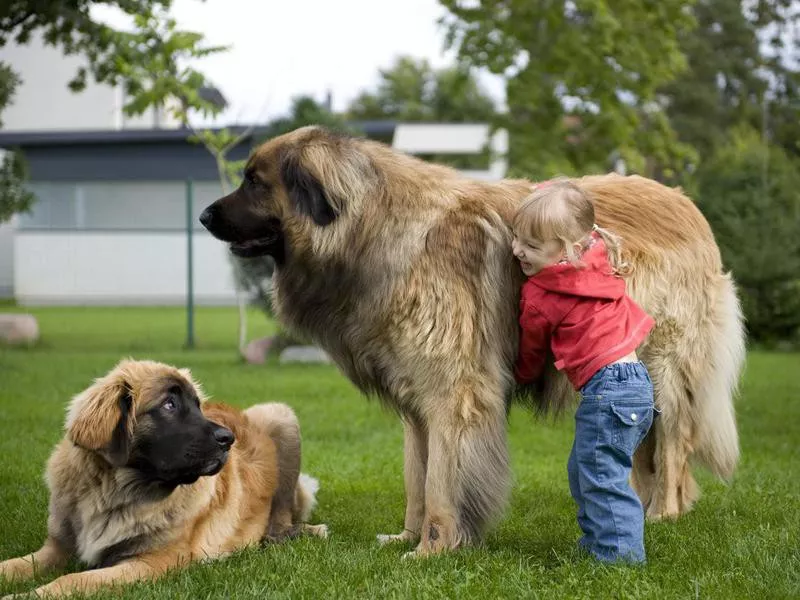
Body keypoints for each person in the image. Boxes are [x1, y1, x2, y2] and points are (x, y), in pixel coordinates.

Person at [511, 179, 656, 563]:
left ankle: (620, 556)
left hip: (608, 392)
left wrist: (521, 376)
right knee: (586, 469)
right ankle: (599, 540)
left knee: (602, 476)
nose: (517, 251)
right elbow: (577, 219)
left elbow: (532, 348)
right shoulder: (595, 256)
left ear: (566, 250)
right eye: (516, 237)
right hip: (635, 384)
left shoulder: (541, 293)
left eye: (531, 246)